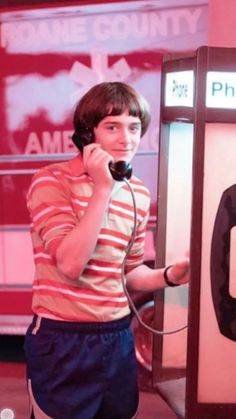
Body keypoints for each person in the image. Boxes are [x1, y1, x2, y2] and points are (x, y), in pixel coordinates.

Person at [24, 82, 189, 419]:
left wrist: (170, 276)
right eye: (112, 127)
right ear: (87, 135)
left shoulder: (137, 193)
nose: (126, 139)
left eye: (134, 127)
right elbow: (70, 263)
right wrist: (103, 189)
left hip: (115, 338)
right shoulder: (52, 181)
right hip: (62, 338)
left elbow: (129, 273)